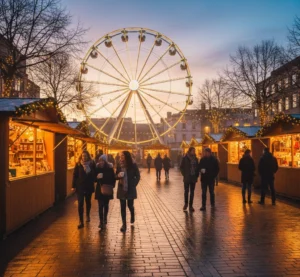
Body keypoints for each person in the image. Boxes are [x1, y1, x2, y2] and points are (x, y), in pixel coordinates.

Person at [116, 151, 140, 232]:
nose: (121, 157)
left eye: (122, 155)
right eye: (121, 155)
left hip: (130, 188)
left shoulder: (133, 164)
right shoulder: (119, 164)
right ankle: (124, 225)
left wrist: (134, 184)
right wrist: (118, 176)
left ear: (127, 156)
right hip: (122, 188)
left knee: (130, 205)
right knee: (122, 207)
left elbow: (138, 175)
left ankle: (132, 214)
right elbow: (115, 176)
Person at [72, 150, 96, 229]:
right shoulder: (78, 164)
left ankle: (88, 215)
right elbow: (75, 175)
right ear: (81, 157)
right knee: (80, 203)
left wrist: (90, 172)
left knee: (88, 202)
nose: (84, 157)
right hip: (80, 187)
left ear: (88, 156)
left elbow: (94, 175)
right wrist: (73, 186)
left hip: (88, 186)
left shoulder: (92, 164)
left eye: (85, 156)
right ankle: (81, 221)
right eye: (83, 156)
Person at [95, 155, 116, 230]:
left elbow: (113, 178)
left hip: (107, 188)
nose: (101, 162)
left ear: (105, 161)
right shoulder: (97, 168)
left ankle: (105, 219)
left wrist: (112, 185)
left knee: (106, 205)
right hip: (99, 189)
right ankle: (101, 222)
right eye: (100, 160)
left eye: (102, 160)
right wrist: (97, 177)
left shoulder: (109, 168)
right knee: (100, 205)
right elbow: (94, 178)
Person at [180, 147, 199, 212]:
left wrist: (196, 175)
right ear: (190, 151)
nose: (194, 152)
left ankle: (191, 206)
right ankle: (186, 204)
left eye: (194, 151)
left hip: (193, 178)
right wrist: (184, 174)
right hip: (187, 178)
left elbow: (197, 168)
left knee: (192, 192)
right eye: (193, 151)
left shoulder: (196, 159)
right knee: (186, 191)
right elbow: (181, 167)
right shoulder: (185, 158)